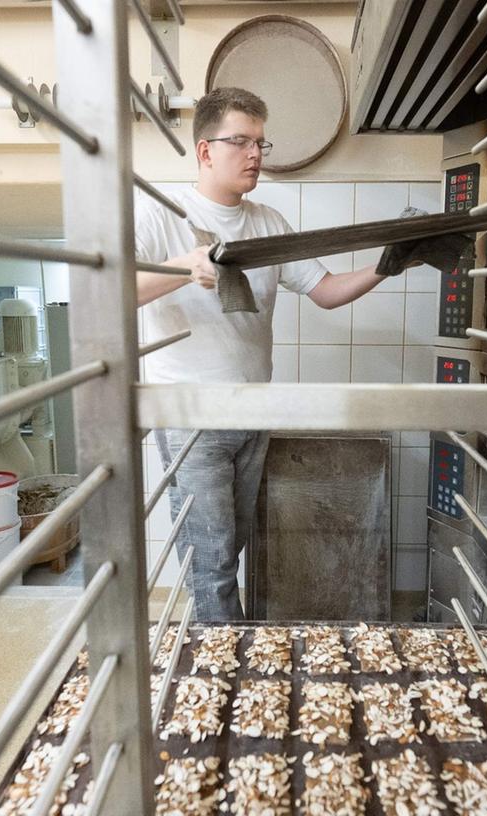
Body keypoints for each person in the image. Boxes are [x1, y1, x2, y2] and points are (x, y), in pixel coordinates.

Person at [135, 87, 430, 621]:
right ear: (205, 151)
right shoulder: (160, 215)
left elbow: (326, 290)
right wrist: (185, 266)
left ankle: (235, 658)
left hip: (254, 412)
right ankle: (219, 678)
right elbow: (109, 289)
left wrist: (388, 266)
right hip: (189, 416)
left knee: (237, 542)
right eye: (241, 142)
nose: (255, 154)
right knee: (212, 558)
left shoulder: (268, 222)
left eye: (261, 144)